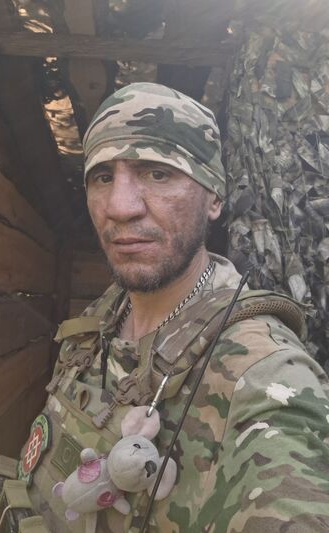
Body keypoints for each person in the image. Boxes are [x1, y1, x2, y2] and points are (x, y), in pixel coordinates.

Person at [19, 83, 329, 532]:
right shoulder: (107, 311)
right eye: (102, 177)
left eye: (157, 173)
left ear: (214, 198)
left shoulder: (265, 376)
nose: (120, 207)